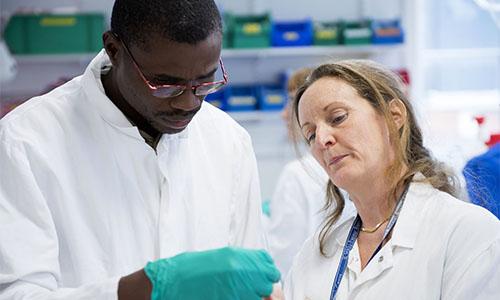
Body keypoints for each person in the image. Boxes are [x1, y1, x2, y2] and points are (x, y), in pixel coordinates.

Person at [0, 1, 280, 299]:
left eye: (205, 81)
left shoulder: (229, 141)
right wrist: (139, 289)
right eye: (165, 85)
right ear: (114, 50)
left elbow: (252, 281)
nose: (188, 103)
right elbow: (17, 293)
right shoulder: (26, 141)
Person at [284, 60, 500, 299]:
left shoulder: (469, 233)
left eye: (337, 118)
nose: (322, 139)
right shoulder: (314, 254)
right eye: (310, 135)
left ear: (393, 115)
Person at [267, 67, 334, 277]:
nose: (284, 113)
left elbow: (282, 263)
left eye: (292, 102)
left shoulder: (298, 173)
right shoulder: (345, 167)